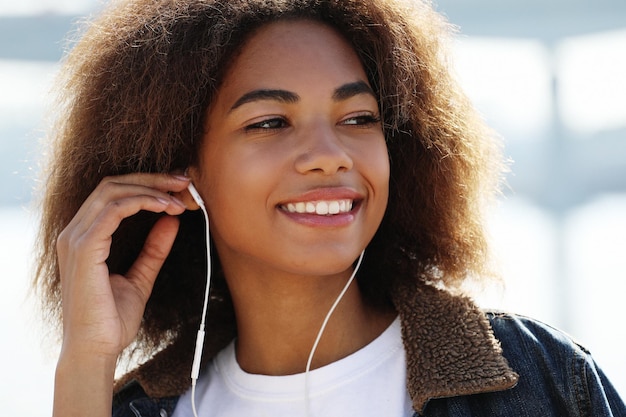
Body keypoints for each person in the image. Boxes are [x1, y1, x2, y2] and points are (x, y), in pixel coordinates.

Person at [34, 0, 625, 416]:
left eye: (358, 118)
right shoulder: (131, 409)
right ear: (178, 171)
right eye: (269, 122)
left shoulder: (542, 378)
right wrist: (85, 362)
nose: (329, 155)